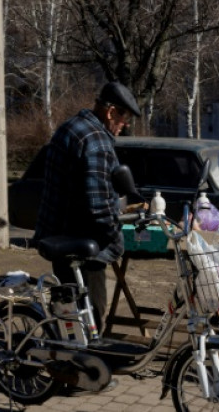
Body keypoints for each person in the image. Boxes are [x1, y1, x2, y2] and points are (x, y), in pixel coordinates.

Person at [33, 81, 141, 336]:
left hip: (57, 234)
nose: (125, 125)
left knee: (68, 311)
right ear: (111, 111)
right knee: (91, 316)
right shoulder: (96, 143)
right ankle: (81, 369)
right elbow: (98, 206)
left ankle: (65, 365)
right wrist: (116, 235)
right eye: (124, 118)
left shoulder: (71, 127)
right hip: (80, 245)